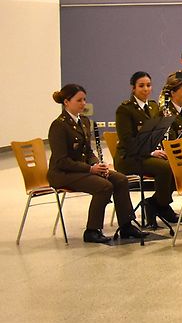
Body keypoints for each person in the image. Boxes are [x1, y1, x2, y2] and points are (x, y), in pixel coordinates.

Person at [48, 84, 148, 244]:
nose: (83, 103)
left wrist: (98, 165)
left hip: (81, 170)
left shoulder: (84, 121)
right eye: (79, 100)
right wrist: (90, 169)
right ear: (66, 102)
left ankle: (126, 225)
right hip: (63, 174)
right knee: (104, 186)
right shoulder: (59, 125)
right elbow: (62, 161)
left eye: (84, 100)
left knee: (120, 179)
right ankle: (92, 230)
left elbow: (88, 152)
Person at [114, 71, 178, 227]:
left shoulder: (153, 106)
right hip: (129, 157)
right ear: (133, 88)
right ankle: (161, 205)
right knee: (165, 167)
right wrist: (151, 152)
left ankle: (154, 203)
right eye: (141, 86)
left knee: (177, 165)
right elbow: (127, 140)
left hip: (147, 155)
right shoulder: (125, 109)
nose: (145, 89)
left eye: (148, 85)